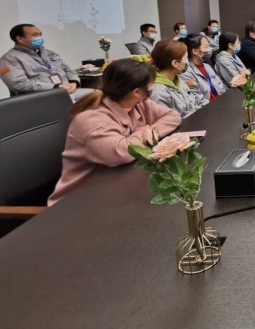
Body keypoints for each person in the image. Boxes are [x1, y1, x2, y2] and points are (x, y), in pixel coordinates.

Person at [47, 58, 181, 205]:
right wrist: (143, 133)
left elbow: (173, 116)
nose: (152, 89)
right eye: (151, 85)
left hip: (117, 187)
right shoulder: (92, 119)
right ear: (137, 91)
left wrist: (151, 132)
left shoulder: (139, 103)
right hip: (78, 201)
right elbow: (122, 153)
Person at [0, 23, 87, 100]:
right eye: (35, 35)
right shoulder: (9, 59)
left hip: (68, 91)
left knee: (95, 95)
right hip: (42, 97)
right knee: (80, 108)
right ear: (20, 39)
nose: (39, 37)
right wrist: (55, 87)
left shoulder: (49, 53)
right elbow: (18, 84)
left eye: (40, 34)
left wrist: (74, 82)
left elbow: (67, 69)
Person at [148, 40, 199, 118]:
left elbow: (193, 103)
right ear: (175, 63)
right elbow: (167, 120)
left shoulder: (177, 79)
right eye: (186, 58)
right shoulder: (158, 91)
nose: (187, 62)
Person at [181, 34, 226, 106]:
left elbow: (221, 87)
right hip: (207, 108)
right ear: (195, 51)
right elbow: (198, 100)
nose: (209, 50)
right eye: (206, 47)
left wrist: (224, 101)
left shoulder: (207, 66)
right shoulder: (186, 73)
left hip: (221, 104)